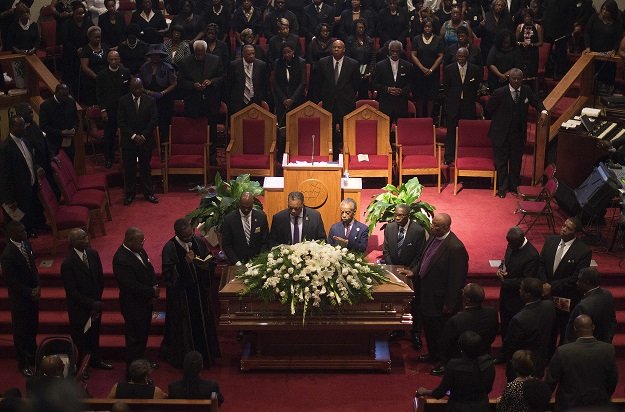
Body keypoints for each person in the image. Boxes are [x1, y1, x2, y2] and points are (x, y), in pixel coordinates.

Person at [161, 218, 221, 368]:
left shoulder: (198, 241)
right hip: (183, 299)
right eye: (186, 237)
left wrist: (208, 264)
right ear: (177, 234)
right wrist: (184, 264)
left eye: (191, 234)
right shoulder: (170, 248)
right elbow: (168, 277)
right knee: (185, 331)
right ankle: (187, 362)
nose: (190, 238)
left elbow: (210, 259)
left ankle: (206, 357)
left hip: (199, 294)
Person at [486, 68, 547, 198]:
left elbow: (536, 101)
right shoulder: (499, 92)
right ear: (509, 78)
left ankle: (514, 186)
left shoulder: (526, 91)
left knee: (516, 161)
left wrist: (543, 111)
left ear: (522, 79)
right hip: (500, 133)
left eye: (519, 78)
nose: (517, 81)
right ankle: (502, 188)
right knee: (501, 162)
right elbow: (489, 108)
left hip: (517, 134)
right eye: (514, 78)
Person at [417, 213, 468, 364]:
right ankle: (433, 354)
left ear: (446, 227)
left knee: (440, 332)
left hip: (440, 300)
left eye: (436, 225)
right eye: (433, 224)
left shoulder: (455, 247)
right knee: (430, 329)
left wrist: (450, 303)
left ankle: (443, 361)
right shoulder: (433, 237)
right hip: (427, 294)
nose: (432, 227)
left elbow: (457, 279)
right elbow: (425, 259)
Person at [60, 228, 112, 370]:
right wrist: (91, 303)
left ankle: (95, 360)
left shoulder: (93, 254)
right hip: (80, 309)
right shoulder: (68, 263)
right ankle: (81, 366)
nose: (86, 240)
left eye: (86, 237)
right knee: (80, 339)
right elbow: (72, 292)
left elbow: (99, 279)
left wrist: (97, 301)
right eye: (81, 239)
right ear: (72, 242)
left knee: (94, 335)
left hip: (95, 305)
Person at [545, 314, 618, 412]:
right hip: (599, 405)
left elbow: (551, 382)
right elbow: (612, 379)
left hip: (568, 405)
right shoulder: (608, 350)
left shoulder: (563, 352)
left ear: (575, 329)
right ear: (593, 327)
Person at [539, 217, 592, 350]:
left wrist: (552, 287)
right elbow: (541, 264)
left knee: (563, 330)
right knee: (547, 328)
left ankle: (560, 357)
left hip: (566, 297)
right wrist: (545, 283)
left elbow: (575, 278)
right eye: (564, 225)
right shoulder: (551, 240)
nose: (564, 229)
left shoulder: (583, 251)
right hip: (546, 295)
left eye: (569, 228)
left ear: (576, 233)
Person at [113, 228, 159, 373]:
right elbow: (130, 285)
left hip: (145, 302)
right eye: (141, 241)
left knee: (143, 335)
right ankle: (133, 372)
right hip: (133, 306)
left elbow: (149, 268)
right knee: (134, 340)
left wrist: (154, 284)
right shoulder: (121, 259)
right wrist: (151, 291)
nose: (143, 244)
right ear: (129, 241)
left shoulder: (139, 250)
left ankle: (142, 365)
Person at [416, 331, 495, 412]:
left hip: (458, 408)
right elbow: (488, 388)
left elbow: (440, 393)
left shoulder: (454, 365)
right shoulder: (488, 362)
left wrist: (425, 391)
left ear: (461, 350)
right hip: (482, 407)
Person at [0, 221, 39, 377]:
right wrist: (30, 291)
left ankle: (32, 356)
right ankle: (23, 363)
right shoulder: (7, 254)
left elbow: (33, 267)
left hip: (32, 296)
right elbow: (11, 281)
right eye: (22, 231)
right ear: (12, 234)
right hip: (20, 300)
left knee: (33, 327)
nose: (25, 232)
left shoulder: (26, 244)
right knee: (21, 332)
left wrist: (38, 285)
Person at [435, 283, 498, 376]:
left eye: (463, 293)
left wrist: (446, 363)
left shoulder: (456, 320)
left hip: (461, 361)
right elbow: (493, 333)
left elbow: (445, 345)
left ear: (467, 300)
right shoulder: (492, 313)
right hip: (484, 358)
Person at [177, 40, 224, 164]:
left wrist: (212, 82)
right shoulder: (185, 62)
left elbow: (222, 77)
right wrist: (193, 85)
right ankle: (195, 157)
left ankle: (212, 157)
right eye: (197, 53)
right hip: (193, 102)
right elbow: (180, 81)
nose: (199, 56)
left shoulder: (215, 60)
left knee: (212, 130)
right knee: (194, 130)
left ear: (205, 51)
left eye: (201, 53)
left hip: (211, 101)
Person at [501, 277, 556, 381]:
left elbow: (510, 346)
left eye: (521, 289)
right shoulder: (549, 306)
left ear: (528, 294)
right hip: (540, 361)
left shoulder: (519, 319)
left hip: (522, 365)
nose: (519, 290)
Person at [0, 116, 46, 237]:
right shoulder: (5, 148)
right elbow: (4, 176)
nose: (23, 128)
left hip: (29, 186)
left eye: (23, 125)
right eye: (19, 126)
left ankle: (29, 232)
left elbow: (30, 161)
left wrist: (36, 168)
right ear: (12, 127)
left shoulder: (26, 141)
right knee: (18, 222)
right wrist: (10, 199)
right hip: (17, 193)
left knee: (29, 215)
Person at [117, 78, 159, 206]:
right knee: (129, 168)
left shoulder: (150, 101)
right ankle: (129, 194)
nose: (138, 91)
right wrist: (134, 136)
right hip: (129, 141)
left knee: (145, 167)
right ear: (130, 88)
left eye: (140, 88)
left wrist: (143, 135)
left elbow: (153, 120)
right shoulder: (123, 101)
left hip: (145, 141)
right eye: (135, 88)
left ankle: (149, 193)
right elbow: (121, 122)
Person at [318, 39, 360, 156]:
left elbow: (356, 84)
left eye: (339, 47)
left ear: (344, 49)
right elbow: (318, 83)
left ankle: (348, 156)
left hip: (346, 103)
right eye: (334, 47)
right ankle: (332, 156)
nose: (336, 49)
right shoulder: (323, 62)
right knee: (329, 132)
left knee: (346, 131)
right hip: (328, 102)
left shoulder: (353, 64)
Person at [497, 226, 539, 337]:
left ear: (520, 241)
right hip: (505, 295)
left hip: (517, 299)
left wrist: (506, 282)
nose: (509, 246)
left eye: (512, 244)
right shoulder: (512, 243)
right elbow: (506, 261)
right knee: (504, 324)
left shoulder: (532, 255)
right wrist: (501, 270)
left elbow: (527, 280)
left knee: (513, 330)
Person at [442, 47, 481, 165]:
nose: (461, 58)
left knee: (468, 131)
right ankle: (449, 156)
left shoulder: (475, 69)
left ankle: (466, 155)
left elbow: (476, 87)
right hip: (453, 104)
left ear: (467, 57)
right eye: (459, 56)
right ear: (456, 56)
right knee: (451, 132)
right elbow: (446, 88)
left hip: (468, 105)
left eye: (463, 56)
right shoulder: (449, 69)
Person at [96, 50, 131, 169]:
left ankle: (126, 158)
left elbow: (128, 92)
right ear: (108, 60)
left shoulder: (126, 73)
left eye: (116, 59)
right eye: (111, 59)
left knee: (127, 135)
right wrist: (103, 110)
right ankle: (109, 159)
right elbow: (99, 94)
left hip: (124, 110)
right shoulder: (101, 75)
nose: (114, 61)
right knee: (109, 136)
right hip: (109, 110)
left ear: (119, 59)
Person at [14, 103, 57, 195]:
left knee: (54, 190)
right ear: (20, 113)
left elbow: (44, 140)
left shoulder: (33, 124)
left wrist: (52, 155)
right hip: (35, 168)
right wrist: (36, 166)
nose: (31, 113)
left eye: (31, 111)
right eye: (28, 112)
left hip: (45, 162)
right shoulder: (20, 133)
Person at [564, 267, 616, 344]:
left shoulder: (584, 306)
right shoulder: (607, 294)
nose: (577, 283)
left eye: (579, 280)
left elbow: (576, 333)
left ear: (587, 282)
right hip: (604, 343)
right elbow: (613, 321)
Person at [138, 44, 177, 143]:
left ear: (161, 56)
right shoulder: (144, 67)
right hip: (148, 99)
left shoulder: (168, 67)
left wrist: (162, 93)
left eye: (157, 55)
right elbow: (139, 84)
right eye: (153, 55)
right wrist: (147, 92)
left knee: (164, 122)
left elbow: (174, 84)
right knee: (149, 121)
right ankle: (151, 143)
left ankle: (164, 144)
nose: (155, 57)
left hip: (164, 99)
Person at [583, 0, 621, 96]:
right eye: (603, 9)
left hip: (607, 56)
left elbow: (618, 39)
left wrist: (614, 50)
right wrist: (587, 47)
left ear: (612, 12)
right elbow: (587, 32)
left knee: (606, 80)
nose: (604, 12)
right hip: (594, 52)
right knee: (593, 79)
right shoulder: (594, 17)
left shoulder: (617, 23)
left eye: (607, 10)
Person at [221, 192, 270, 265]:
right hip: (238, 262)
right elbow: (227, 244)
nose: (246, 210)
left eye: (249, 207)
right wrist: (237, 263)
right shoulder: (229, 220)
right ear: (239, 204)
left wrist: (259, 260)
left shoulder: (261, 217)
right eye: (244, 207)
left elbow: (265, 241)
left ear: (252, 204)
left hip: (257, 262)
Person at [410, 18, 444, 118]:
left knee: (431, 96)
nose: (427, 28)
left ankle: (429, 117)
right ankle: (420, 117)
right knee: (420, 95)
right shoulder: (416, 39)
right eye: (426, 26)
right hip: (419, 72)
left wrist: (431, 69)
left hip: (433, 73)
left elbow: (441, 55)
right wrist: (422, 68)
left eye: (429, 26)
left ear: (433, 28)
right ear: (423, 27)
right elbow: (413, 55)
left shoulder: (438, 39)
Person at [373, 40, 412, 124]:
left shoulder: (408, 66)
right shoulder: (380, 66)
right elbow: (375, 84)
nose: (394, 53)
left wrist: (402, 90)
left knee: (402, 132)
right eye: (392, 51)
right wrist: (388, 89)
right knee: (384, 133)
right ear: (389, 50)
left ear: (400, 51)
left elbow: (411, 84)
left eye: (397, 51)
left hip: (401, 104)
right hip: (386, 104)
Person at [59, 1, 92, 97]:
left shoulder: (88, 22)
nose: (81, 15)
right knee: (72, 77)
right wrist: (76, 49)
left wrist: (85, 48)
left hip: (85, 52)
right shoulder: (67, 24)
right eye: (78, 13)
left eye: (82, 13)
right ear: (73, 13)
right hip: (71, 55)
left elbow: (91, 36)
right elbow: (65, 41)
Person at [227, 44, 269, 115]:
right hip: (238, 101)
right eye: (249, 54)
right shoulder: (234, 65)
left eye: (253, 53)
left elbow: (264, 84)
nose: (252, 56)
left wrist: (261, 97)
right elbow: (229, 83)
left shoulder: (261, 65)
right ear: (243, 54)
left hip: (255, 100)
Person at [39, 84, 78, 157]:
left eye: (66, 95)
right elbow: (43, 126)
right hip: (53, 144)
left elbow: (76, 119)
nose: (64, 98)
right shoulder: (46, 106)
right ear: (55, 93)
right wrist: (60, 132)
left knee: (70, 165)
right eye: (62, 95)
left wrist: (74, 129)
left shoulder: (71, 102)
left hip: (69, 142)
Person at [272, 43, 306, 128]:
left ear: (293, 51)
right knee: (283, 126)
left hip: (297, 97)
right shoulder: (277, 63)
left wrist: (292, 99)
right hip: (282, 99)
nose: (287, 54)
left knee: (296, 125)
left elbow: (303, 82)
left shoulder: (301, 62)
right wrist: (284, 99)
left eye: (289, 52)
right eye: (285, 53)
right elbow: (275, 82)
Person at [344, 20, 376, 101]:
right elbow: (347, 57)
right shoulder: (349, 40)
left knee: (363, 95)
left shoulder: (369, 41)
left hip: (366, 71)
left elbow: (373, 58)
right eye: (359, 28)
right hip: (353, 71)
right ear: (355, 28)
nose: (361, 29)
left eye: (362, 28)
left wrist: (370, 71)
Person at [476, 0, 513, 64]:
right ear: (493, 6)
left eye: (502, 6)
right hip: (487, 48)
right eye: (498, 5)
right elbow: (478, 34)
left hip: (502, 48)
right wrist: (481, 26)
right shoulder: (486, 16)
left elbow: (510, 32)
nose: (500, 7)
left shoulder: (507, 18)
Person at [79, 26, 109, 106]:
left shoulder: (105, 46)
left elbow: (109, 60)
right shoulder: (86, 50)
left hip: (105, 77)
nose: (98, 39)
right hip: (92, 79)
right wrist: (97, 77)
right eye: (96, 37)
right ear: (90, 37)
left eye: (99, 37)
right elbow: (85, 67)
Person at [515, 9, 542, 83]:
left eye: (528, 17)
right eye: (525, 17)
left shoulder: (537, 27)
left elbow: (540, 43)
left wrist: (531, 44)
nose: (526, 18)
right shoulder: (519, 27)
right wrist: (521, 43)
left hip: (532, 54)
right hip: (521, 53)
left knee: (531, 76)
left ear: (532, 17)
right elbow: (515, 41)